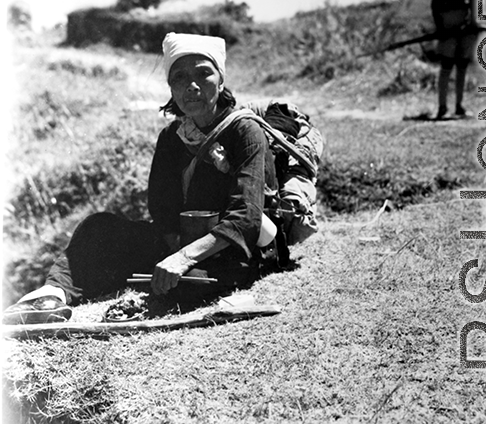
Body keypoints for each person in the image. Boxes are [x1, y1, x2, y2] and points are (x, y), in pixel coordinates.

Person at [3, 33, 282, 325]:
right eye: (180, 77)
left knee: (183, 285)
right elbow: (162, 206)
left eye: (203, 73)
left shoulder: (245, 131)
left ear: (221, 80)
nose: (192, 85)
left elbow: (246, 218)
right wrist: (174, 248)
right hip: (184, 245)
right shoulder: (171, 137)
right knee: (97, 228)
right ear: (171, 86)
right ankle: (49, 296)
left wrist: (184, 259)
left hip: (232, 251)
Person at [428, 0, 479, 120]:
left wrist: (474, 23)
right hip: (448, 22)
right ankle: (442, 107)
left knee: (462, 66)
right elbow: (434, 4)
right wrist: (439, 27)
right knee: (447, 65)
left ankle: (459, 106)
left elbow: (475, 1)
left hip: (466, 23)